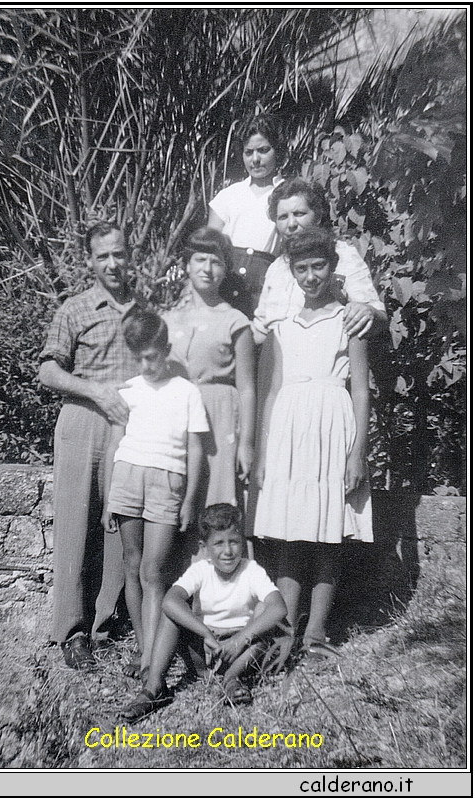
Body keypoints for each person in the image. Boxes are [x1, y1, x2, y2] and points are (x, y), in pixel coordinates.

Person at [253, 228, 373, 669]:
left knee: (327, 533)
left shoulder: (350, 321)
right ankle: (285, 631)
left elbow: (361, 391)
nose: (310, 276)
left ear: (332, 268)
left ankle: (316, 632)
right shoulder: (281, 328)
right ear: (290, 271)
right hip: (287, 430)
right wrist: (264, 454)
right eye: (300, 268)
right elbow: (269, 392)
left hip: (332, 426)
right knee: (288, 532)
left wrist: (357, 451)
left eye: (318, 266)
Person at [38, 222, 139, 671]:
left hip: (133, 427)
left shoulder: (146, 310)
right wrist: (97, 391)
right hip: (83, 420)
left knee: (119, 523)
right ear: (90, 262)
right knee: (77, 524)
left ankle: (106, 625)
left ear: (129, 255)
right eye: (103, 257)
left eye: (119, 254)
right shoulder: (75, 309)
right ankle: (72, 631)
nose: (113, 264)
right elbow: (48, 373)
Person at [103, 310, 209, 679]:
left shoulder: (186, 392)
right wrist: (107, 500)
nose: (146, 365)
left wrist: (191, 498)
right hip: (128, 479)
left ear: (166, 349)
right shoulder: (128, 392)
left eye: (152, 355)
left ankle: (152, 659)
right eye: (139, 357)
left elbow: (196, 449)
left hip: (168, 482)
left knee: (154, 569)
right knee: (132, 565)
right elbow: (115, 445)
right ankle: (143, 648)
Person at [121, 503, 288, 720]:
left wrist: (239, 639)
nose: (228, 551)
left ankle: (231, 679)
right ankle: (154, 687)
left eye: (234, 542)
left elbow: (279, 607)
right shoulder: (201, 570)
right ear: (204, 547)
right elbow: (170, 601)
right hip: (206, 647)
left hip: (240, 651)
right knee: (171, 614)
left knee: (265, 618)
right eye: (218, 543)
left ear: (243, 543)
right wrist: (205, 634)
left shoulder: (251, 570)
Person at [163, 227, 255, 526]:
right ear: (186, 264)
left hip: (220, 419)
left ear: (225, 269)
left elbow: (247, 388)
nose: (207, 269)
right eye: (200, 260)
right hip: (176, 417)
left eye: (216, 262)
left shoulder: (235, 320)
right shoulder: (167, 318)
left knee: (216, 504)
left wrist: (246, 443)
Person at [253, 176, 388, 344]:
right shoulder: (276, 268)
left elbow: (376, 315)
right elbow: (259, 329)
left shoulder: (342, 254)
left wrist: (368, 311)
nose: (291, 224)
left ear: (317, 216)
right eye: (283, 217)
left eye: (299, 214)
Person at [208, 114, 285, 316]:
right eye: (248, 152)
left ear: (277, 151)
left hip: (266, 288)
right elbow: (209, 244)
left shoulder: (287, 193)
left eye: (263, 150)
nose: (256, 159)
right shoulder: (228, 195)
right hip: (226, 284)